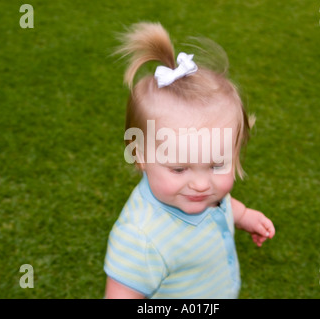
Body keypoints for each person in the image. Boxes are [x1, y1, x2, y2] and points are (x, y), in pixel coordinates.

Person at [104, 22, 275, 298]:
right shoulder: (141, 238)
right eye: (179, 168)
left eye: (216, 165)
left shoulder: (202, 194)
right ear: (140, 156)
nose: (200, 185)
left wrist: (244, 216)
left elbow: (222, 206)